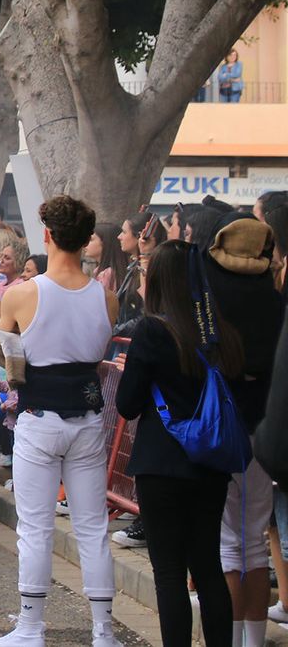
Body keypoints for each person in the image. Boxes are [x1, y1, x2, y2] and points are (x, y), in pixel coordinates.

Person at [0, 195, 122, 647]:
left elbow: (2, 345)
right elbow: (99, 352)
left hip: (39, 416)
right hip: (88, 415)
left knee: (35, 527)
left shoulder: (23, 293)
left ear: (47, 236)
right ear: (84, 240)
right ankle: (103, 631)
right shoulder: (107, 297)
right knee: (92, 526)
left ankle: (30, 626)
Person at [115, 240, 245, 646]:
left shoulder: (153, 330)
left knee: (169, 572)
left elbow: (127, 404)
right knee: (208, 566)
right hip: (212, 465)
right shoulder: (222, 334)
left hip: (162, 464)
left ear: (159, 281)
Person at [193, 213, 285, 647]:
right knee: (253, 544)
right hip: (261, 432)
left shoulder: (209, 301)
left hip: (216, 432)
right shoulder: (276, 302)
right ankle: (251, 640)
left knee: (228, 545)